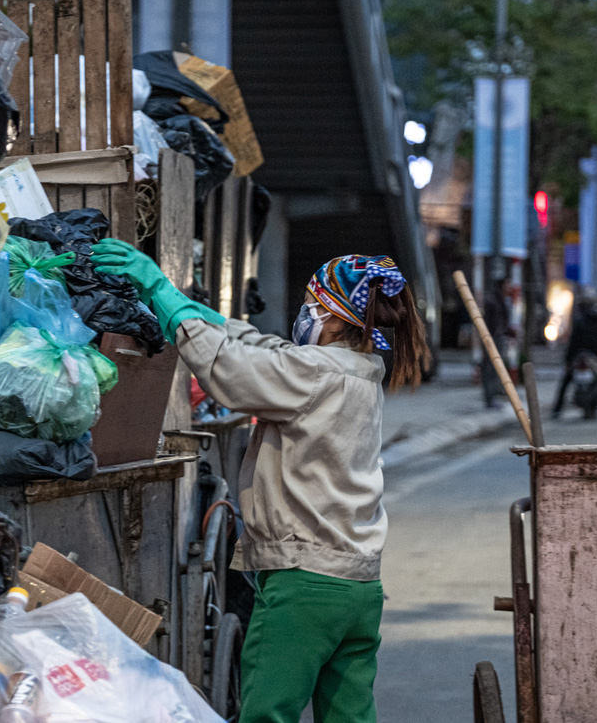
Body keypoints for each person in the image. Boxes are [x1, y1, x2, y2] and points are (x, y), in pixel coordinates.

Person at [91, 241, 428, 723]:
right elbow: (266, 349)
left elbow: (231, 371)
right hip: (358, 587)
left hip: (304, 585)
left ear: (335, 317)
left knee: (267, 714)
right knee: (350, 716)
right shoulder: (360, 370)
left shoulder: (313, 374)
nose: (304, 315)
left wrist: (164, 297)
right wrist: (197, 313)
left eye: (313, 307)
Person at [551, 296, 597, 418]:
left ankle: (557, 408)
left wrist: (568, 360)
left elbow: (572, 343)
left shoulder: (579, 320)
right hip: (593, 355)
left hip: (581, 355)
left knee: (566, 381)